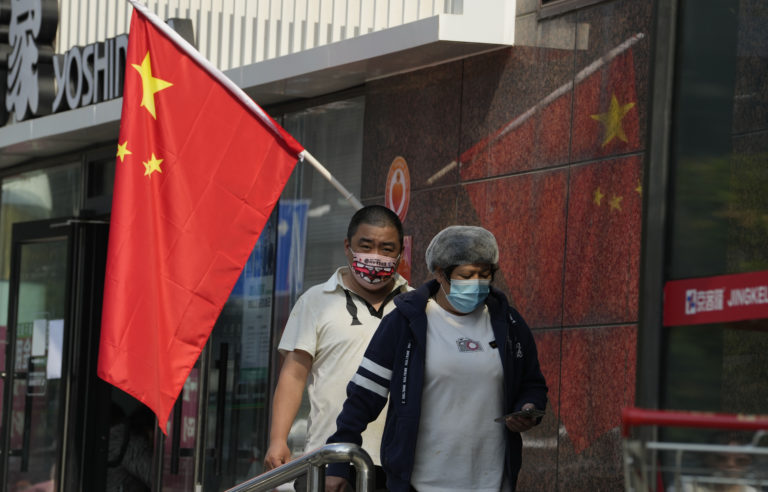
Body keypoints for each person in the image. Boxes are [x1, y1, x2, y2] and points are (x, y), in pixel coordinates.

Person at [325, 225, 549, 492]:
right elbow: (363, 397)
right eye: (466, 275)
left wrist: (528, 408)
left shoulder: (509, 324)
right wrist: (338, 463)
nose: (477, 283)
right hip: (421, 482)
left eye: (484, 274)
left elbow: (532, 383)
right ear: (440, 273)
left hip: (492, 481)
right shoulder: (405, 323)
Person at [264, 205, 409, 491]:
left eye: (386, 249)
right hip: (329, 459)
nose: (375, 256)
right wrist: (278, 439)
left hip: (397, 461)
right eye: (366, 246)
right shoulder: (316, 301)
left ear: (400, 253)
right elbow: (294, 375)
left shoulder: (415, 307)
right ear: (347, 246)